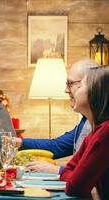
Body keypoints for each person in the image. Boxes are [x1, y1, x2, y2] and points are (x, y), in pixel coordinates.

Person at [16, 59, 99, 174]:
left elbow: (92, 175)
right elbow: (57, 146)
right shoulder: (86, 120)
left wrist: (56, 169)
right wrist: (17, 142)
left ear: (92, 86)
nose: (65, 90)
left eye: (70, 84)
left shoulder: (103, 126)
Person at [60, 66, 109, 199]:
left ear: (96, 93)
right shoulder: (94, 134)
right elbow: (67, 171)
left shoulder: (105, 133)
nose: (71, 92)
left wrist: (79, 180)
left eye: (80, 86)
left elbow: (74, 187)